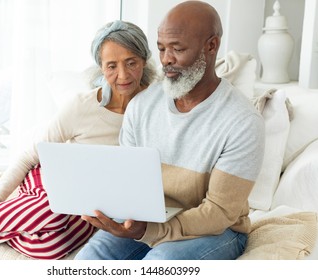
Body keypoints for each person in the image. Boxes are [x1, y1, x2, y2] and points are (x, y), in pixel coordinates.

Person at [0, 20, 157, 260]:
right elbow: (30, 155)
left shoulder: (156, 106)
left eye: (131, 63)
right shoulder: (82, 106)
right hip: (50, 180)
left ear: (143, 60)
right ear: (100, 68)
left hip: (94, 202)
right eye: (112, 66)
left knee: (49, 246)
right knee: (49, 213)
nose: (122, 75)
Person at [75, 0, 265, 260]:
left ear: (211, 46)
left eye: (177, 49)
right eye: (162, 48)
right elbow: (129, 181)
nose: (166, 60)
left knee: (160, 264)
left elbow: (220, 212)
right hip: (150, 219)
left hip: (218, 231)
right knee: (88, 259)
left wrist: (150, 232)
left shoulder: (242, 121)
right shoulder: (141, 105)